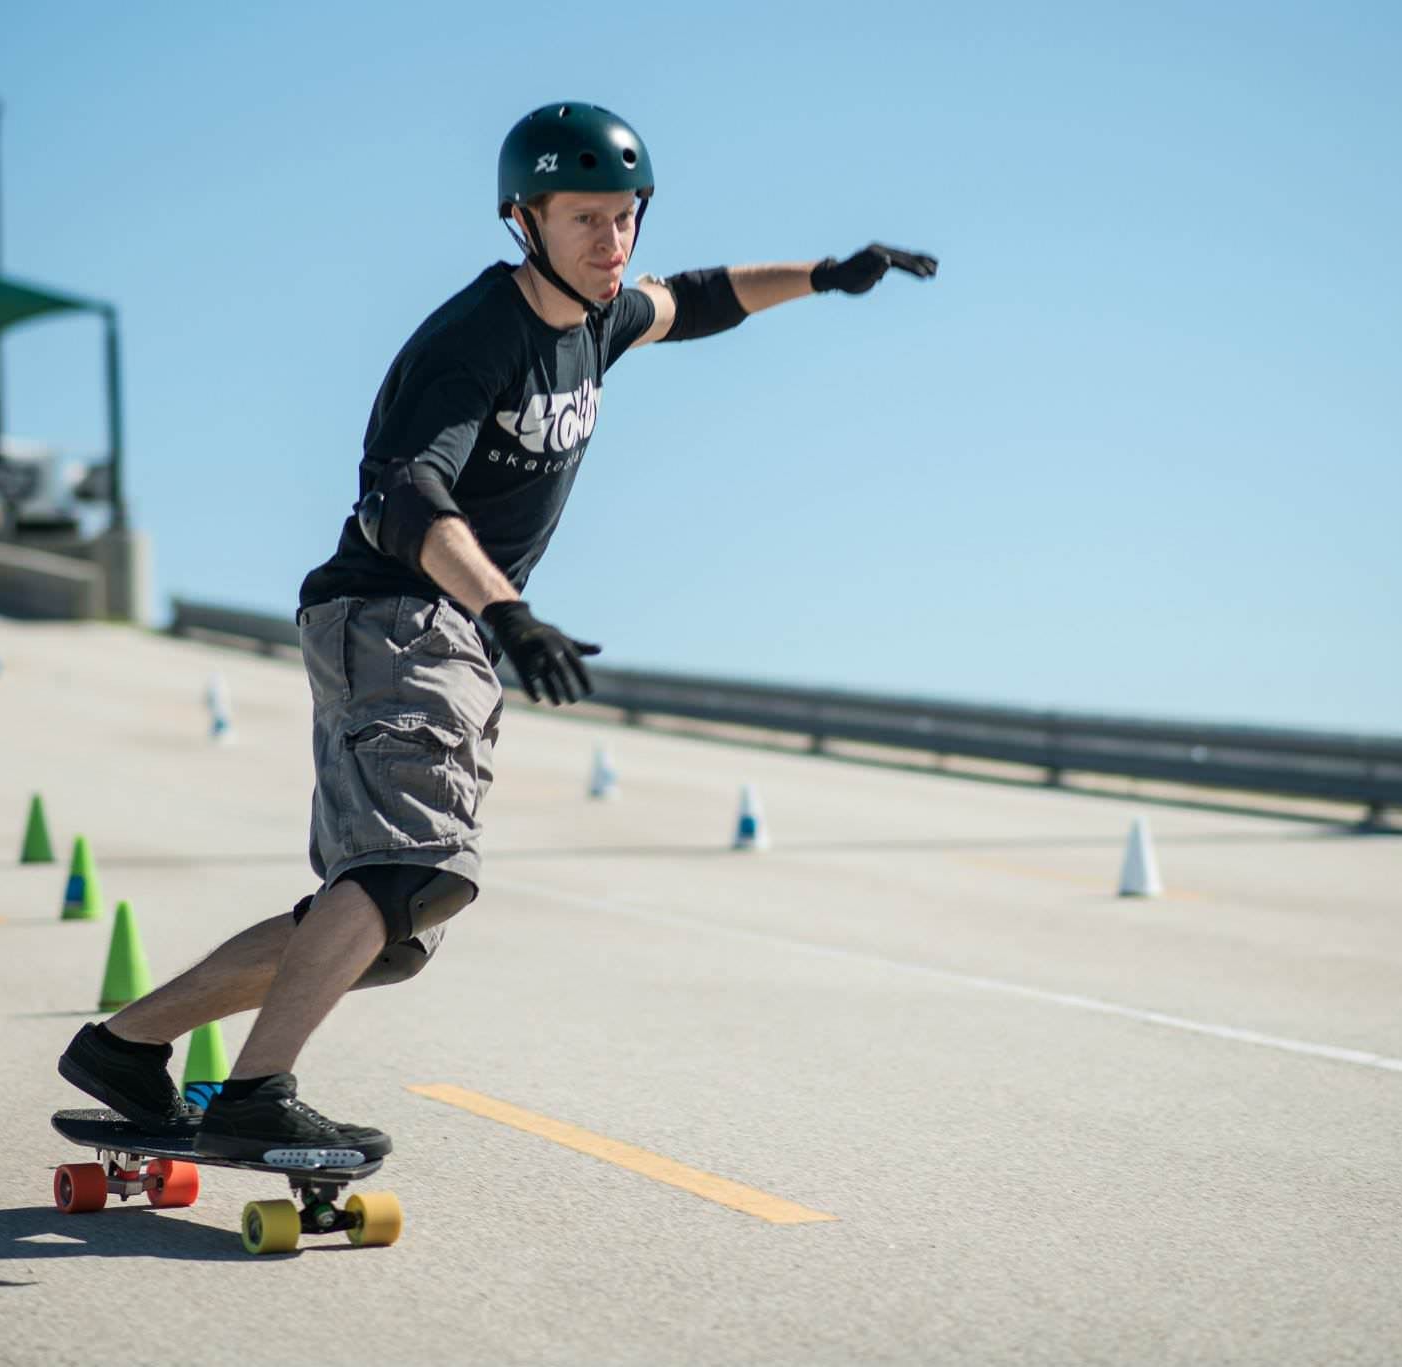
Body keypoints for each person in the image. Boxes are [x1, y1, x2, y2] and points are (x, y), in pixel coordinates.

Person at [55, 102, 938, 1159]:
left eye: (624, 218)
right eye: (583, 221)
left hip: (430, 624)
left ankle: (125, 1044)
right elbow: (406, 494)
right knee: (407, 876)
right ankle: (252, 1095)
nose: (611, 244)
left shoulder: (598, 316)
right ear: (523, 220)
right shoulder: (477, 338)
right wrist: (505, 611)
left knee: (384, 926)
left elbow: (696, 299)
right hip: (395, 607)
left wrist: (824, 274)